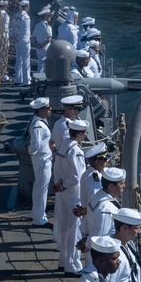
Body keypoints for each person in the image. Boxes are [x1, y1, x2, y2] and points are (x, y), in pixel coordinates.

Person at [53, 116, 88, 273]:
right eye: (85, 133)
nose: (86, 135)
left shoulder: (64, 145)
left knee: (66, 228)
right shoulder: (76, 151)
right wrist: (64, 185)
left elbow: (57, 168)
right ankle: (72, 266)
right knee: (74, 231)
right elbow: (76, 177)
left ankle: (63, 261)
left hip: (63, 193)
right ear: (79, 134)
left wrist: (59, 185)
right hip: (73, 193)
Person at [27, 96, 53, 225]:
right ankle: (40, 219)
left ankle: (37, 213)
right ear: (41, 110)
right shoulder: (38, 126)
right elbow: (35, 145)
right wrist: (33, 153)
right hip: (42, 161)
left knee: (40, 188)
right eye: (48, 108)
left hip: (43, 160)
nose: (50, 110)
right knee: (42, 189)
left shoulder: (40, 122)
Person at [86, 164, 125, 242]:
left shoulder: (98, 195)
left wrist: (85, 240)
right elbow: (101, 236)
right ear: (111, 186)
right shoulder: (107, 208)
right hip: (103, 250)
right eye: (121, 184)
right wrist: (87, 246)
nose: (124, 186)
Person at [11, 0, 32, 86]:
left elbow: (13, 29)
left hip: (17, 40)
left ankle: (18, 79)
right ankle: (26, 80)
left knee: (18, 60)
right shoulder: (26, 17)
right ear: (26, 7)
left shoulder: (16, 16)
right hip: (24, 40)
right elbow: (25, 30)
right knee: (26, 61)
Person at [32, 6, 52, 77]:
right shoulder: (48, 27)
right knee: (45, 67)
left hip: (38, 49)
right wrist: (41, 45)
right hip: (45, 49)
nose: (50, 18)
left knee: (39, 66)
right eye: (49, 16)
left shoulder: (37, 26)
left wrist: (36, 45)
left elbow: (33, 37)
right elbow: (49, 39)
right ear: (45, 17)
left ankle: (36, 79)